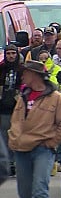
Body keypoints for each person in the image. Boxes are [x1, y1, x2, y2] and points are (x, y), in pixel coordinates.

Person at [8, 60, 61, 198]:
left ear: (35, 75)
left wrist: (51, 143)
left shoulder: (56, 98)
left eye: (25, 72)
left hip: (42, 150)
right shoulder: (22, 97)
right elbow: (15, 122)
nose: (22, 76)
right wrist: (13, 139)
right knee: (25, 194)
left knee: (39, 191)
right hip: (21, 150)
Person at [0, 44, 23, 176]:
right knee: (4, 136)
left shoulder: (22, 69)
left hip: (18, 107)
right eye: (8, 53)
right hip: (3, 107)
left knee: (17, 135)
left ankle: (16, 162)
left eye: (13, 53)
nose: (11, 56)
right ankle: (7, 163)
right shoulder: (1, 69)